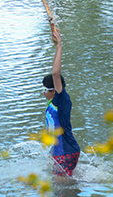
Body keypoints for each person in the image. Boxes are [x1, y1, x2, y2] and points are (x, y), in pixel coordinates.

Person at [42, 26, 80, 179]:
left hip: (66, 152)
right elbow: (53, 72)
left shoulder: (61, 99)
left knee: (61, 190)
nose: (43, 93)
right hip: (61, 152)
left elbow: (55, 73)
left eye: (45, 89)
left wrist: (59, 45)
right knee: (61, 186)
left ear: (53, 90)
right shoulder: (53, 103)